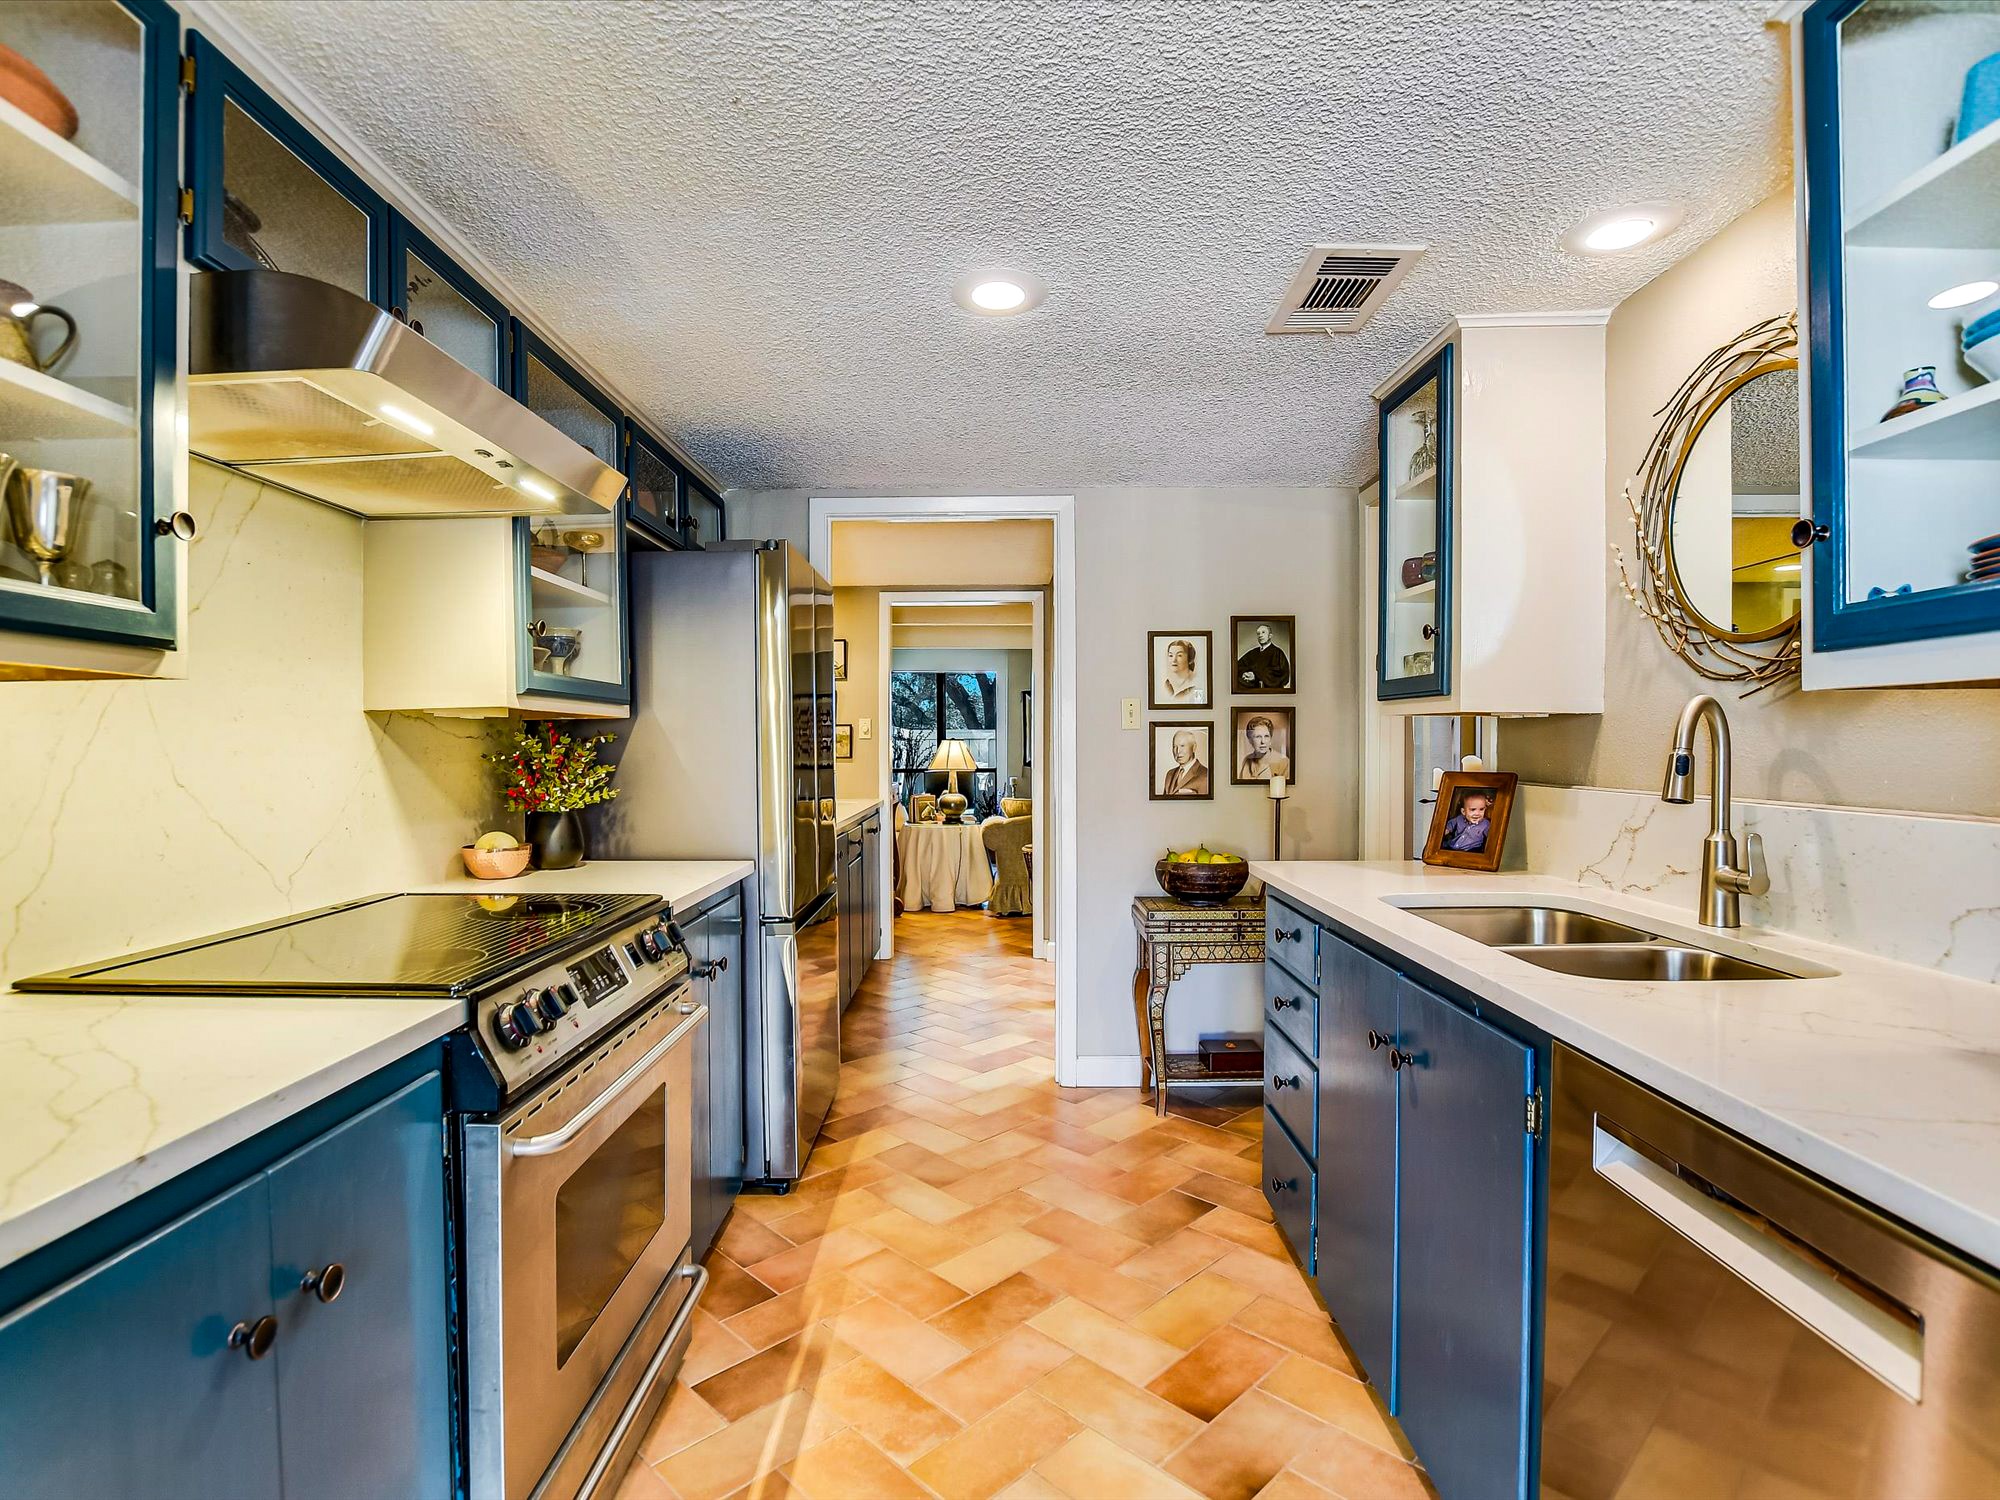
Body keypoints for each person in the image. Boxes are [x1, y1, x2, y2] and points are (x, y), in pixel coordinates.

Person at [1236, 622, 1291, 690]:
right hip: (1250, 686)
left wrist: (1256, 675)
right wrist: (1244, 673)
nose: (1260, 635)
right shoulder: (1253, 652)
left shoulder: (1278, 652)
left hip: (1268, 689)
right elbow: (1238, 665)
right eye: (1258, 633)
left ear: (1270, 636)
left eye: (1263, 632)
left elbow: (1282, 673)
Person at [1236, 715, 1290, 781]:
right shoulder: (1246, 760)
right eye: (1258, 736)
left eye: (1266, 736)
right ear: (1250, 740)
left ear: (1270, 739)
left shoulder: (1283, 762)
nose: (1263, 741)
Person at [1160, 728, 1209, 796]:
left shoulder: (1205, 775)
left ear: (1194, 747)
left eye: (1182, 746)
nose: (1178, 751)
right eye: (1174, 747)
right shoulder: (1169, 774)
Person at [1160, 639, 1203, 703]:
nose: (1174, 660)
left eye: (1179, 655)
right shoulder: (1166, 684)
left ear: (1190, 659)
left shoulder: (1195, 685)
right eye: (1171, 655)